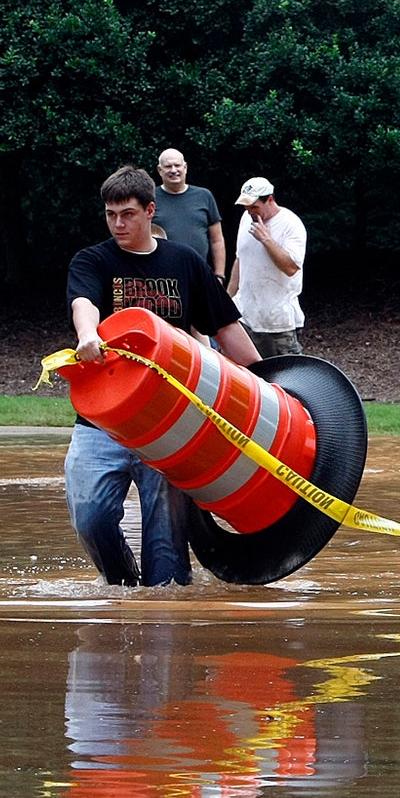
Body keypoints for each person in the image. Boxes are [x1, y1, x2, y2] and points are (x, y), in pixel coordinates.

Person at [65, 165, 262, 586]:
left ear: (150, 211)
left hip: (171, 424)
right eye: (111, 214)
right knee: (91, 519)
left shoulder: (184, 262)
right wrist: (87, 334)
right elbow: (84, 303)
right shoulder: (92, 261)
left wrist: (270, 385)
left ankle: (165, 626)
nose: (118, 223)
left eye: (128, 214)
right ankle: (121, 585)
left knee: (167, 548)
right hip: (103, 422)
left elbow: (225, 328)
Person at [228, 176, 307, 357]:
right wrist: (227, 301)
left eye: (254, 206)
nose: (249, 211)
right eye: (246, 206)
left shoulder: (291, 224)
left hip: (278, 321)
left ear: (270, 200)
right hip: (244, 316)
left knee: (286, 377)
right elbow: (240, 260)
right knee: (244, 376)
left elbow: (291, 268)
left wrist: (266, 240)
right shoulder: (246, 218)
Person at [151, 149, 227, 281]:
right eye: (168, 166)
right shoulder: (150, 198)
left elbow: (217, 240)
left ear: (185, 167)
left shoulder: (204, 196)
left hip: (200, 275)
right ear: (159, 170)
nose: (174, 170)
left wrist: (219, 276)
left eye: (177, 165)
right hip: (161, 278)